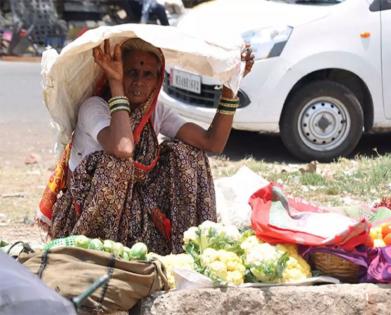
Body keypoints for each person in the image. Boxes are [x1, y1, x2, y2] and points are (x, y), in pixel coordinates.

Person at [38, 37, 254, 255]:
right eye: (131, 72)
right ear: (119, 71)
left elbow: (212, 143)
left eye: (147, 74)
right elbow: (123, 148)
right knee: (116, 164)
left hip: (136, 208)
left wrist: (230, 87)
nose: (139, 81)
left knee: (186, 153)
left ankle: (187, 245)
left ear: (157, 79)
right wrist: (115, 82)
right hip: (86, 217)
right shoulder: (94, 107)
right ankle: (99, 253)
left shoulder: (155, 111)